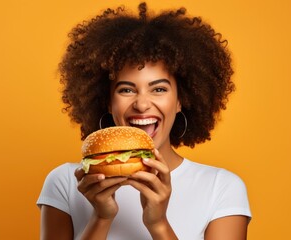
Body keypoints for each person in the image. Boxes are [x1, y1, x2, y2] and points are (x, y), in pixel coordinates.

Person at [37, 2, 251, 239]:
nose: (141, 103)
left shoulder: (221, 187)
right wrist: (101, 218)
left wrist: (158, 224)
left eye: (159, 89)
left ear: (181, 100)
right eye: (126, 90)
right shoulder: (65, 181)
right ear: (107, 101)